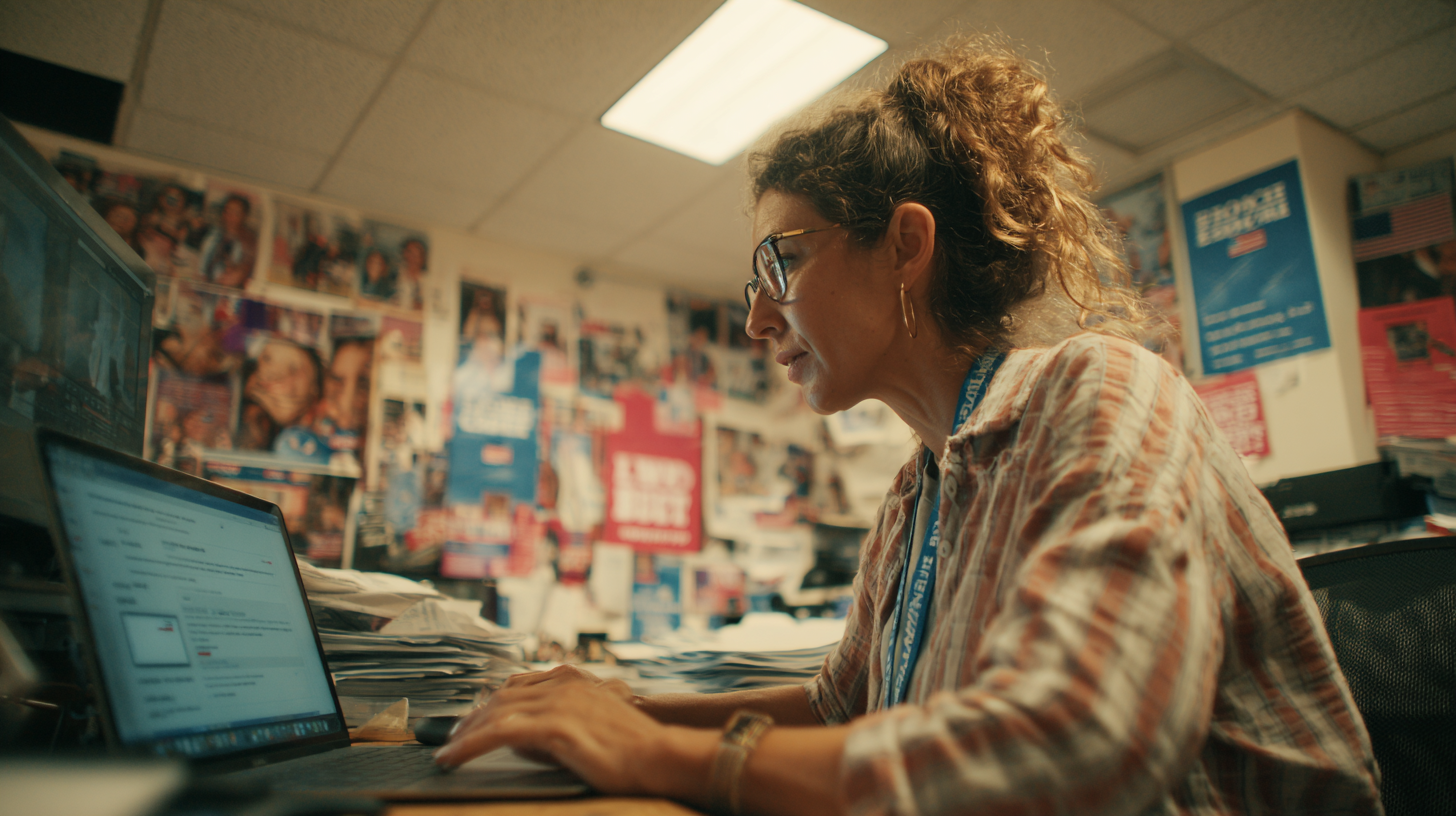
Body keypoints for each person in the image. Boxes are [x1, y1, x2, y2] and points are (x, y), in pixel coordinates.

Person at [434, 39, 1383, 816]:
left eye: (782, 266)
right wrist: (626, 706)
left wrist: (660, 756)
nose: (761, 321)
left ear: (906, 246)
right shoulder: (917, 488)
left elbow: (1078, 740)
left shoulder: (1105, 392)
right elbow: (838, 703)